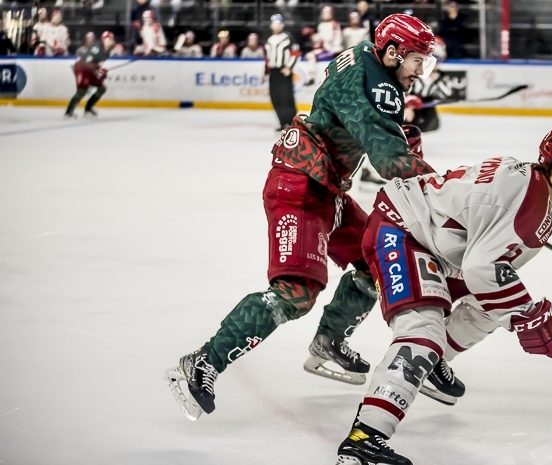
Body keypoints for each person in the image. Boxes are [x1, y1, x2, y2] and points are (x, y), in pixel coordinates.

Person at [163, 13, 439, 422]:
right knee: (296, 292)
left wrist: (401, 136)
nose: (421, 71)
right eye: (417, 60)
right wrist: (444, 187)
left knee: (374, 256)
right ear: (394, 52)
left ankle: (328, 341)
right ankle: (201, 363)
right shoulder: (379, 85)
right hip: (299, 188)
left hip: (325, 187)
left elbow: (363, 126)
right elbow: (386, 157)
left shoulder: (367, 57)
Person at [335, 126, 552, 465]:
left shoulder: (528, 185)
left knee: (491, 307)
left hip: (434, 242)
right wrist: (526, 316)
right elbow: (482, 269)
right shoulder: (530, 204)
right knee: (422, 332)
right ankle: (365, 439)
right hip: (402, 228)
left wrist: (520, 311)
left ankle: (433, 363)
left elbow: (489, 271)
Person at [65, 31, 117, 119]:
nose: (108, 42)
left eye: (110, 40)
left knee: (102, 88)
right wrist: (98, 69)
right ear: (102, 40)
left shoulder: (107, 51)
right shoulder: (96, 49)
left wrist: (100, 70)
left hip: (91, 70)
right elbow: (86, 62)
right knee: (82, 90)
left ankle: (88, 109)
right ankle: (68, 113)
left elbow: (96, 63)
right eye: (106, 40)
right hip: (82, 69)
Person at [264, 14, 300, 131]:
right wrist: (265, 72)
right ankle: (282, 122)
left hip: (284, 70)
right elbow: (268, 58)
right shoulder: (269, 40)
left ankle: (292, 122)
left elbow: (295, 53)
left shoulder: (287, 37)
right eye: (274, 24)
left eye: (279, 24)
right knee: (276, 97)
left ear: (283, 25)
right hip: (273, 72)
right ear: (271, 25)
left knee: (286, 97)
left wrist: (289, 67)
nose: (277, 26)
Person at [305, 5, 343, 84]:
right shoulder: (321, 25)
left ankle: (311, 77)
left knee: (311, 55)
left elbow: (330, 38)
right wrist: (313, 36)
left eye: (327, 13)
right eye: (323, 13)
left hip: (332, 49)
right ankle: (311, 76)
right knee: (309, 54)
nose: (324, 15)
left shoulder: (334, 24)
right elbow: (320, 37)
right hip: (324, 47)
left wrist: (319, 39)